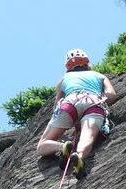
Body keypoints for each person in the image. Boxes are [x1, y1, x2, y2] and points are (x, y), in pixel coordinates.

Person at [36, 48, 117, 177]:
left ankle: (61, 147)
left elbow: (56, 104)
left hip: (69, 104)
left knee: (42, 145)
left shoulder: (64, 79)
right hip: (93, 102)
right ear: (87, 63)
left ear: (68, 67)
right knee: (87, 137)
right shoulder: (99, 76)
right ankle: (78, 157)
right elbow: (111, 95)